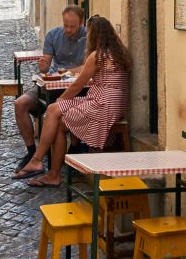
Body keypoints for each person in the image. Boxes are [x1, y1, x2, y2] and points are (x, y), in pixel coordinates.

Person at [14, 16, 131, 188]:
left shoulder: (97, 55)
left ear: (94, 35)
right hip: (114, 105)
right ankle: (45, 166)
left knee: (55, 113)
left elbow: (78, 84)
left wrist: (61, 99)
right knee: (56, 116)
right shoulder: (119, 54)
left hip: (101, 105)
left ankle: (41, 163)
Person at [12, 5, 87, 173]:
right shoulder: (53, 35)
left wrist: (68, 72)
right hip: (51, 86)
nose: (68, 29)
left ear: (81, 23)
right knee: (20, 104)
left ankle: (74, 150)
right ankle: (32, 152)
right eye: (65, 25)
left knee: (64, 111)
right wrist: (44, 65)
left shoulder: (89, 37)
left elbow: (88, 66)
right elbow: (45, 66)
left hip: (76, 89)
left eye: (72, 26)